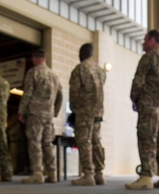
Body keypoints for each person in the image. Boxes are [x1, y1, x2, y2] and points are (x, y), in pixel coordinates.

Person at [127, 29, 159, 190]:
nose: (143, 43)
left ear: (152, 41)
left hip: (148, 103)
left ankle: (146, 176)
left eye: (145, 40)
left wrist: (134, 97)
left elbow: (138, 79)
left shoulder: (149, 57)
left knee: (146, 137)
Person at [18, 49, 63, 184]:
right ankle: (52, 172)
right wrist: (54, 112)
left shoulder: (33, 72)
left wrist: (21, 111)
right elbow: (60, 95)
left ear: (34, 58)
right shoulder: (54, 75)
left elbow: (28, 93)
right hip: (48, 115)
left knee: (35, 142)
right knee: (47, 143)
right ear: (45, 59)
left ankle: (37, 173)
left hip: (35, 113)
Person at [68, 43, 107, 186]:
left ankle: (88, 174)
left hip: (84, 111)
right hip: (98, 111)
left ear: (81, 54)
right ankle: (99, 174)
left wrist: (74, 109)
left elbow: (74, 92)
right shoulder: (100, 70)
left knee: (84, 141)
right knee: (96, 141)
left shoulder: (80, 69)